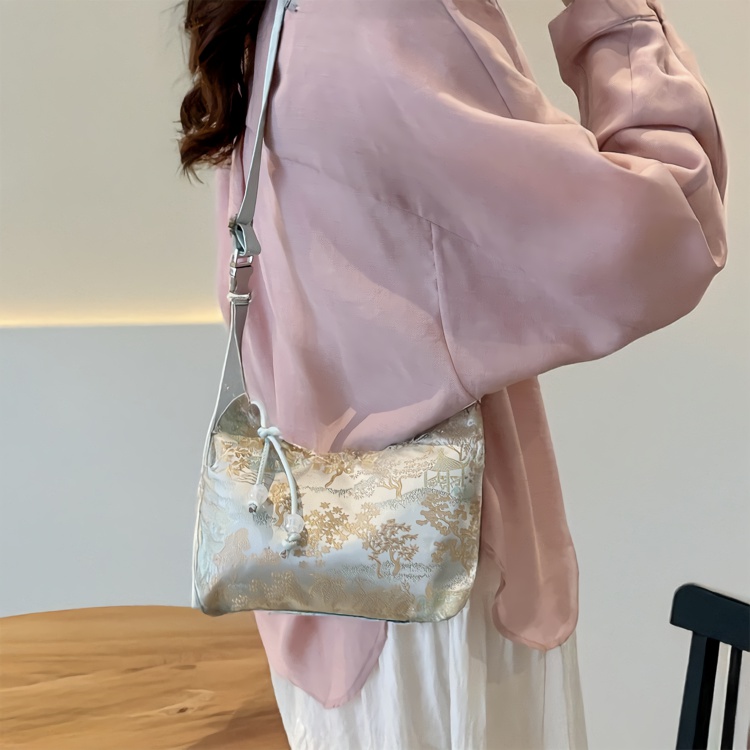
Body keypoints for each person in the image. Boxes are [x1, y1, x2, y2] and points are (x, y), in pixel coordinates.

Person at [176, 0, 729, 747]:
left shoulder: (279, 24)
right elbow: (666, 232)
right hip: (442, 602)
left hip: (328, 586)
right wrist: (617, 16)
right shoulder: (399, 19)